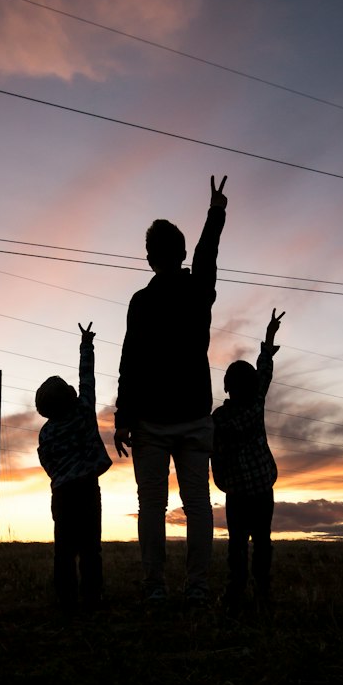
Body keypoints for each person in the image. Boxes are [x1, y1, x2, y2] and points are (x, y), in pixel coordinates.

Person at [114, 176, 228, 604]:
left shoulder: (141, 302)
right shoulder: (198, 290)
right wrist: (215, 212)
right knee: (197, 505)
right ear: (179, 254)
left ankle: (155, 587)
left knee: (152, 507)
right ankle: (196, 589)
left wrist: (124, 418)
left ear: (148, 258)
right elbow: (207, 257)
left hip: (151, 420)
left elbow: (131, 363)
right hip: (195, 415)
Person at [36, 323, 112, 613]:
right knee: (92, 547)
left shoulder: (46, 432)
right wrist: (86, 345)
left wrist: (59, 476)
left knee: (64, 549)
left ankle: (65, 599)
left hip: (62, 494)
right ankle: (93, 597)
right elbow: (87, 378)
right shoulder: (83, 411)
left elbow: (47, 462)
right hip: (87, 490)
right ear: (69, 396)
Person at [212, 309, 283, 609]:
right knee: (261, 541)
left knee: (238, 544)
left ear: (227, 388)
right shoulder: (255, 405)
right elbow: (264, 371)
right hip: (260, 489)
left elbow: (211, 452)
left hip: (239, 494)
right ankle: (260, 589)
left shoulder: (218, 419)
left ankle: (237, 590)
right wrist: (268, 339)